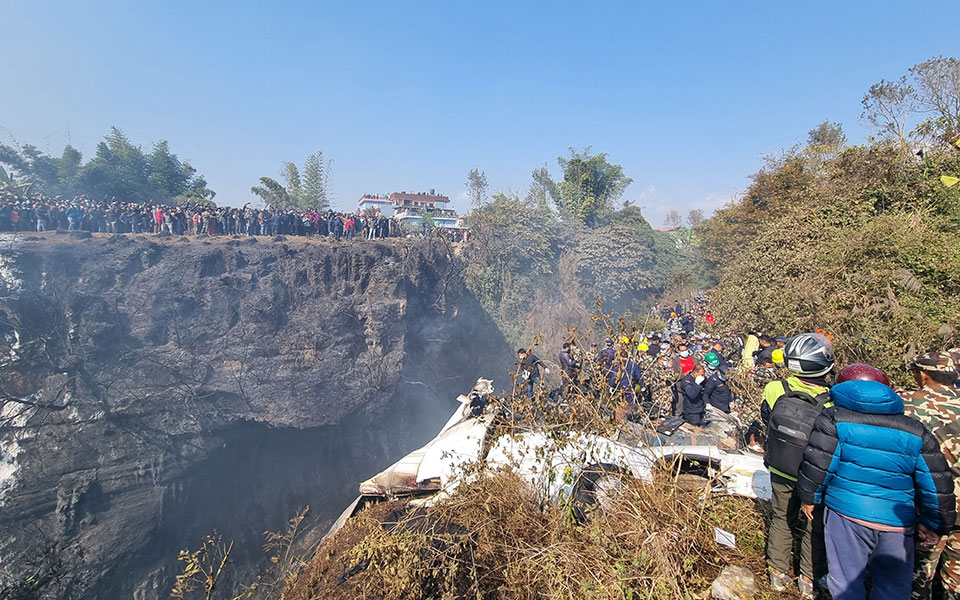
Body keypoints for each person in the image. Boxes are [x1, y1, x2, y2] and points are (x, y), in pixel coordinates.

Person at [798, 372, 957, 600]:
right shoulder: (915, 430)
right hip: (897, 521)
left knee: (846, 582)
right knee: (893, 588)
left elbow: (819, 463)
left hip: (846, 513)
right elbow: (936, 482)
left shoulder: (834, 419)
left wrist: (810, 497)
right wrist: (934, 522)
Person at [762, 333, 834, 597]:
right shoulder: (832, 398)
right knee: (813, 525)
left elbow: (766, 417)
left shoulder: (775, 388)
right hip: (814, 473)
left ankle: (778, 573)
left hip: (780, 466)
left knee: (781, 517)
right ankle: (807, 579)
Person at [900, 351, 960, 600]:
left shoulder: (908, 403)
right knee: (955, 579)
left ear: (923, 375)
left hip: (929, 504)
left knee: (918, 575)